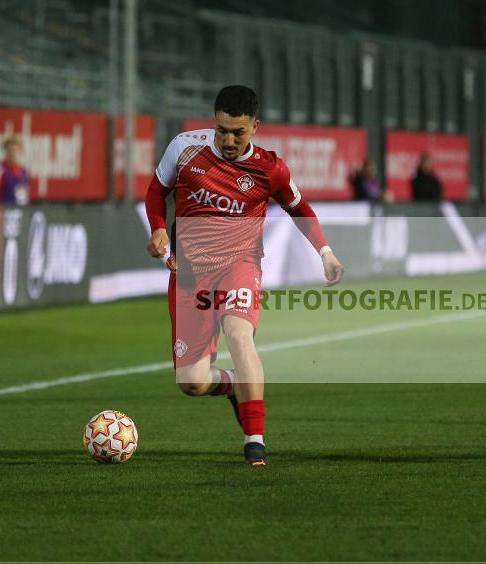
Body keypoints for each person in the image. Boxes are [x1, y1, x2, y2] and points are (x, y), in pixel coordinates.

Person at [144, 85, 345, 467]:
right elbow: (156, 192)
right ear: (213, 122)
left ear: (255, 126)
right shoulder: (185, 148)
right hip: (190, 275)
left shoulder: (271, 168)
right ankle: (236, 385)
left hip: (240, 265)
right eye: (222, 130)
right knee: (192, 382)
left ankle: (255, 440)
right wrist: (158, 229)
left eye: (239, 132)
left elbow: (299, 208)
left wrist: (326, 252)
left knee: (238, 333)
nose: (229, 139)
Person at [0, 136, 30, 205]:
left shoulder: (24, 171)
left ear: (19, 151)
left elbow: (25, 193)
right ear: (5, 152)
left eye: (14, 150)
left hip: (22, 210)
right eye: (9, 150)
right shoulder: (0, 171)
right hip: (6, 210)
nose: (12, 153)